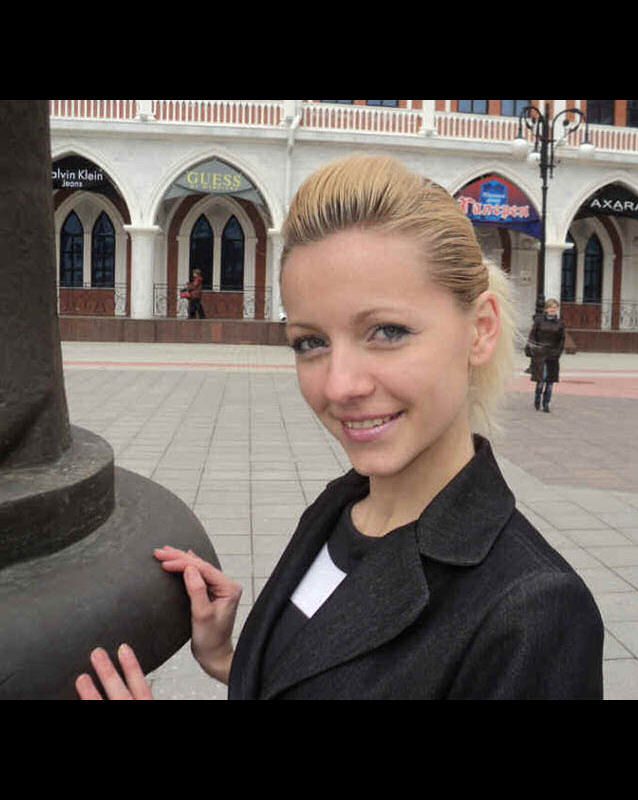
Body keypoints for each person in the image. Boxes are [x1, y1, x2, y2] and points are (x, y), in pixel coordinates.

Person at [74, 155, 603, 700]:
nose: (339, 385)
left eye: (387, 331)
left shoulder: (533, 611)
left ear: (481, 330)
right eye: (311, 342)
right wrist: (234, 658)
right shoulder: (341, 508)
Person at [525, 299, 565, 413]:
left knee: (550, 381)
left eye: (555, 307)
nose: (553, 309)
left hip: (553, 354)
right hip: (540, 354)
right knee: (541, 380)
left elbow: (561, 340)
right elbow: (533, 335)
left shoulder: (560, 323)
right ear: (546, 309)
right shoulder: (539, 321)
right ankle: (537, 400)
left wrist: (557, 353)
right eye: (551, 307)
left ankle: (546, 403)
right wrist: (533, 348)